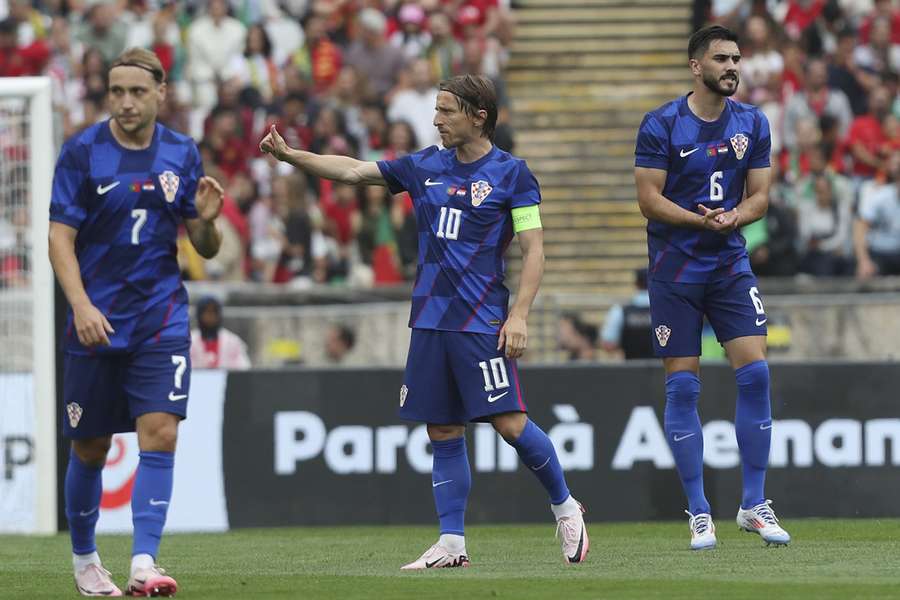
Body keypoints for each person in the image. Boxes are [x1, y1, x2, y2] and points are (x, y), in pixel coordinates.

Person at [260, 73, 588, 568]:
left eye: (446, 110)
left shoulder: (513, 174)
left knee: (509, 422)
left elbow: (534, 248)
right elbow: (352, 172)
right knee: (442, 430)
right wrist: (292, 157)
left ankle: (566, 507)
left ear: (479, 115)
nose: (436, 120)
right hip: (430, 320)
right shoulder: (424, 166)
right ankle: (452, 543)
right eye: (435, 110)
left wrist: (519, 314)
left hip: (480, 320)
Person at [48, 47, 224, 597]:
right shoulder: (82, 152)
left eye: (138, 92)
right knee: (90, 448)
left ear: (161, 93)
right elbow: (59, 238)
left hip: (160, 317)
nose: (126, 102)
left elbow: (204, 245)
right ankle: (84, 561)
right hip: (95, 321)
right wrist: (79, 305)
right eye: (117, 91)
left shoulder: (181, 152)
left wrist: (209, 223)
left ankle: (145, 562)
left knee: (161, 432)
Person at [633, 25, 791, 551]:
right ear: (695, 66)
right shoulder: (660, 124)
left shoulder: (753, 122)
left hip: (729, 267)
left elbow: (761, 195)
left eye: (737, 58)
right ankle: (700, 511)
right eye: (722, 58)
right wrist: (700, 222)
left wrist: (734, 218)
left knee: (757, 375)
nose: (733, 67)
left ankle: (753, 504)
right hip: (675, 274)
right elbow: (649, 199)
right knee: (682, 388)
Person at [599, 268, 653, 359]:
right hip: (661, 369)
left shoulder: (620, 311)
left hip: (631, 368)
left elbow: (608, 344)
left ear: (636, 284)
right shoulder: (666, 311)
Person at [190, 296, 251, 369]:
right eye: (206, 312)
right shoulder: (189, 341)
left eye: (214, 312)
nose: (210, 316)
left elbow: (243, 369)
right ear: (199, 315)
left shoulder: (232, 341)